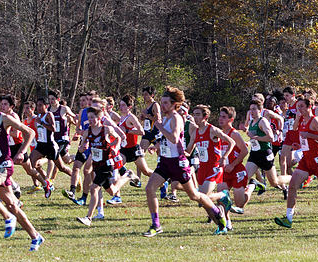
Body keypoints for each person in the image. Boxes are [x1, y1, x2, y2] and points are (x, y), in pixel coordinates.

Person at [143, 87, 227, 237]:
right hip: (165, 162)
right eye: (162, 103)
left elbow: (174, 139)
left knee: (195, 195)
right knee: (149, 188)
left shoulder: (176, 118)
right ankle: (156, 224)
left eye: (166, 103)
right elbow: (165, 139)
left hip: (178, 163)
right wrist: (156, 146)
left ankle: (217, 214)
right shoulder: (166, 118)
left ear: (174, 104)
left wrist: (159, 126)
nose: (163, 106)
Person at [0, 89, 44, 251]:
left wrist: (20, 152)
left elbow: (30, 133)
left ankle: (7, 217)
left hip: (4, 165)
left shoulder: (4, 118)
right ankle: (35, 236)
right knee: (13, 205)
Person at [274, 97, 318, 229]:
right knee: (292, 186)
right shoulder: (301, 120)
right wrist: (299, 145)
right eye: (298, 106)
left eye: (301, 106)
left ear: (309, 107)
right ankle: (288, 218)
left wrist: (310, 136)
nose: (299, 109)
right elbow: (297, 130)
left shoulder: (315, 121)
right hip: (306, 160)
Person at [75, 107, 137, 226]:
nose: (90, 120)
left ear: (99, 118)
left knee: (94, 188)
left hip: (107, 164)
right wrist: (82, 148)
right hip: (97, 164)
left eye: (92, 117)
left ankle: (88, 218)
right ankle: (128, 175)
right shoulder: (88, 131)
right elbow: (83, 146)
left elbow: (119, 138)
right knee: (112, 191)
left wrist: (114, 147)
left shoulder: (106, 129)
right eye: (89, 118)